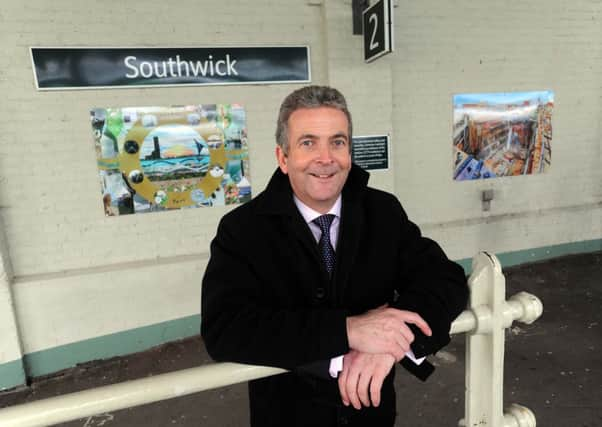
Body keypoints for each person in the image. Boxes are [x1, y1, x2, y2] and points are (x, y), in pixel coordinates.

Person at [201, 85, 468, 427]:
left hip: (371, 417)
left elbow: (445, 279)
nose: (325, 158)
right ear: (283, 158)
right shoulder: (243, 230)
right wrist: (348, 331)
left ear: (349, 151)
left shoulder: (382, 212)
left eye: (337, 142)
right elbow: (226, 328)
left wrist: (390, 342)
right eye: (308, 142)